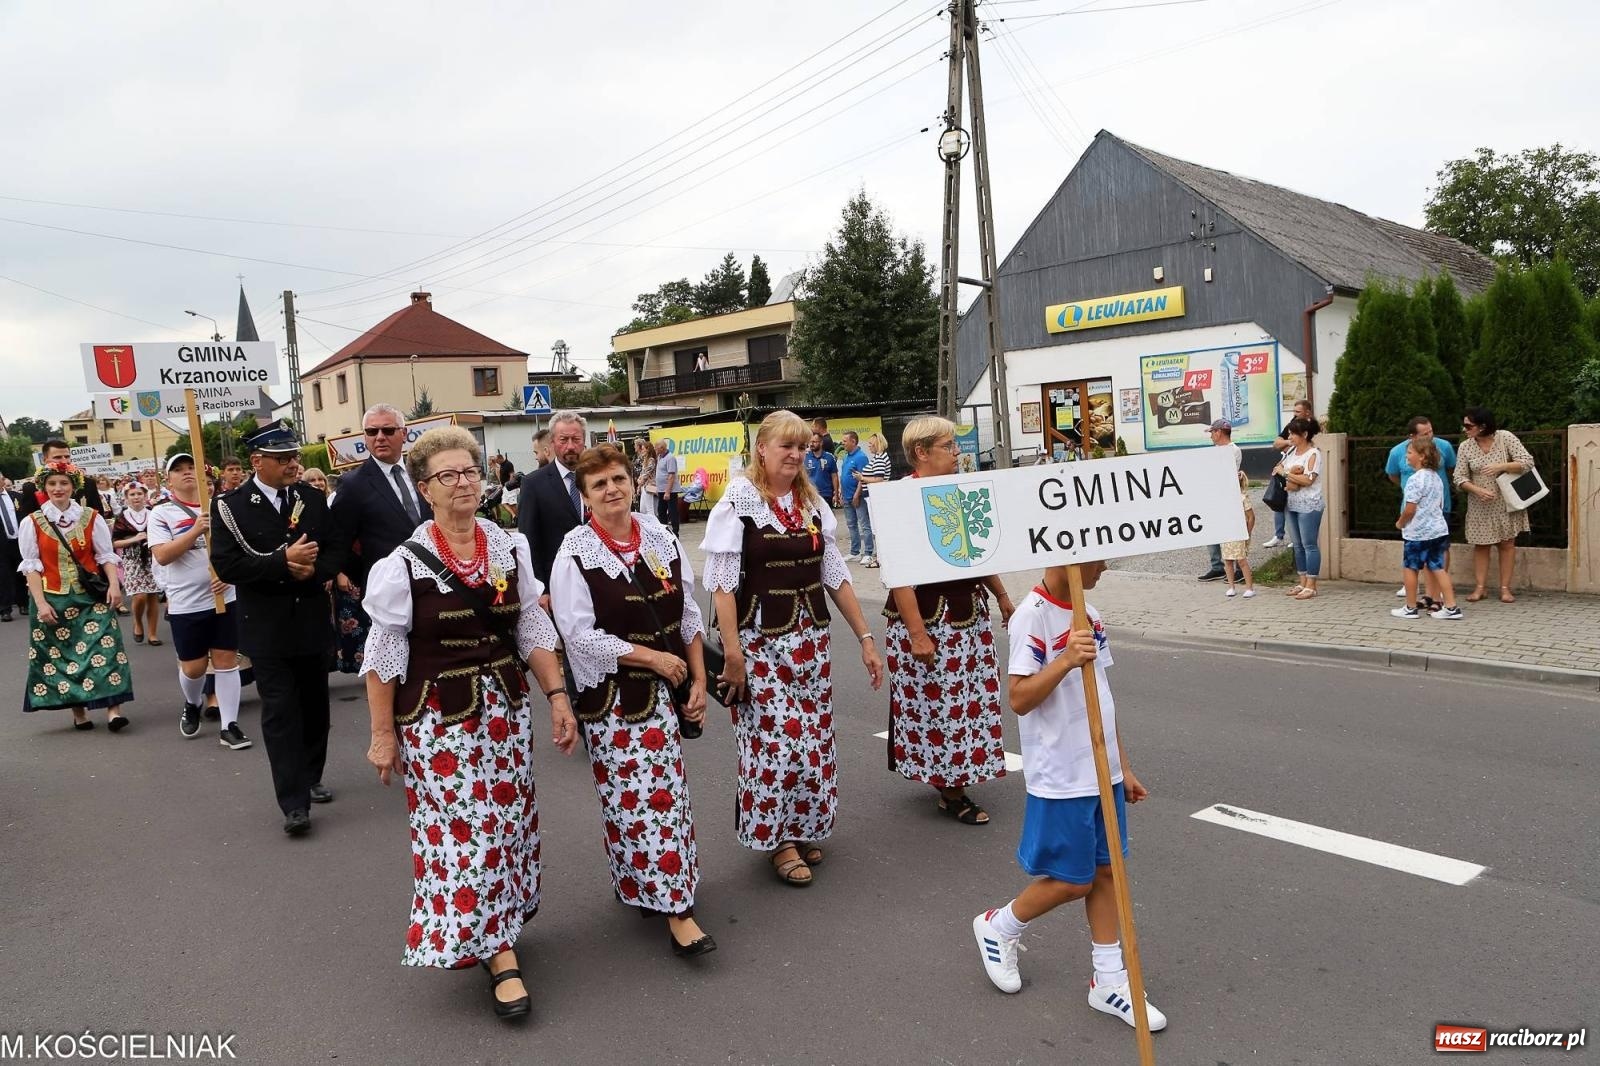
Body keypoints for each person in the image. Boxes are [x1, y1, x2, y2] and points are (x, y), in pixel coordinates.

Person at [361, 426, 575, 1019]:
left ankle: (498, 924)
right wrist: (383, 736)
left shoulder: (508, 548)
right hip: (438, 723)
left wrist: (556, 695)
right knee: (468, 835)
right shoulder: (403, 565)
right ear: (424, 488)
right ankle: (498, 952)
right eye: (447, 475)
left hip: (505, 715)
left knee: (506, 825)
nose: (462, 483)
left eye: (469, 472)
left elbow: (530, 627)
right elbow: (383, 657)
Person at [971, 561, 1164, 1032]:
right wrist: (1063, 660)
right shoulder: (1031, 617)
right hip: (1062, 775)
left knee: (1106, 871)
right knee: (1072, 879)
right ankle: (1000, 925)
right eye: (1097, 559)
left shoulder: (1091, 615)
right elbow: (1018, 697)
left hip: (1103, 770)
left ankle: (1109, 979)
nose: (1104, 566)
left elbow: (1101, 691)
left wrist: (1124, 765)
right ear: (1068, 559)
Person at [702, 410, 883, 886]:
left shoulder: (809, 500)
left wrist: (865, 637)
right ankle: (776, 839)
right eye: (786, 445)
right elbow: (721, 585)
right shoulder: (739, 501)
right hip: (760, 643)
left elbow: (836, 574)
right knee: (773, 744)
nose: (796, 454)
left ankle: (801, 825)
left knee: (813, 740)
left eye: (801, 446)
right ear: (762, 448)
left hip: (810, 641)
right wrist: (734, 654)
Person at [551, 444, 716, 957]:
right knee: (638, 799)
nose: (612, 490)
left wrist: (697, 680)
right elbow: (578, 634)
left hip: (666, 691)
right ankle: (676, 910)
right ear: (585, 497)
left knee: (663, 796)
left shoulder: (661, 537)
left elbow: (687, 614)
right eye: (599, 485)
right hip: (613, 699)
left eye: (619, 479)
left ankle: (655, 887)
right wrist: (652, 659)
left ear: (633, 482)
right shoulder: (574, 553)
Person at [209, 420, 338, 836]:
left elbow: (336, 550)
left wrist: (314, 571)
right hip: (267, 627)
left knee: (316, 708)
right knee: (280, 713)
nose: (292, 465)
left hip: (312, 620)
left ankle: (311, 773)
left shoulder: (310, 498)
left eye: (293, 457)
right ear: (256, 461)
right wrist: (284, 564)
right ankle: (293, 801)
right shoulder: (231, 505)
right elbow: (229, 565)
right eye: (282, 459)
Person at [885, 417, 1014, 825]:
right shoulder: (900, 499)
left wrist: (1004, 596)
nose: (958, 453)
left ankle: (955, 778)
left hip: (968, 616)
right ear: (922, 452)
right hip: (929, 619)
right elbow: (899, 572)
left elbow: (977, 550)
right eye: (949, 446)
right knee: (940, 708)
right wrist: (917, 634)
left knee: (970, 705)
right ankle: (951, 790)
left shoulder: (960, 490)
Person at [18, 461, 134, 731]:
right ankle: (79, 712)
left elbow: (105, 556)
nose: (58, 488)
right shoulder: (32, 521)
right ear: (44, 488)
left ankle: (113, 711)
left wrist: (115, 586)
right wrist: (40, 603)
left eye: (63, 483)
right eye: (52, 484)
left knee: (107, 649)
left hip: (90, 597)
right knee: (63, 657)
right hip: (53, 598)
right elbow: (31, 567)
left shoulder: (91, 517)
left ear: (73, 487)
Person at [149, 453, 251, 747]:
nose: (186, 473)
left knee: (226, 661)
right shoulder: (161, 513)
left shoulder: (222, 507)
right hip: (186, 603)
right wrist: (195, 530)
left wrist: (229, 574)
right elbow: (162, 555)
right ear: (169, 480)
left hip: (225, 598)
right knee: (193, 668)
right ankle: (192, 703)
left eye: (190, 467)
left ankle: (229, 726)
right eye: (178, 470)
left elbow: (243, 547)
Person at [325, 404, 433, 675]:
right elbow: (340, 542)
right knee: (395, 672)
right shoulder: (353, 485)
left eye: (387, 430)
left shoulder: (422, 473)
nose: (380, 437)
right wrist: (369, 574)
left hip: (434, 584)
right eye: (372, 431)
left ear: (404, 433)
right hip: (389, 593)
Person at [1454, 406, 1537, 604]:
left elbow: (1527, 462)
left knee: (1507, 544)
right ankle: (1480, 588)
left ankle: (1505, 589)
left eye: (1468, 425)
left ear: (1482, 426)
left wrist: (1502, 466)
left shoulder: (1505, 437)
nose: (1465, 429)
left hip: (1506, 501)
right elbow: (1458, 477)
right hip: (1480, 504)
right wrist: (1475, 489)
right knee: (1481, 545)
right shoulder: (1465, 447)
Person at [516, 411, 589, 596]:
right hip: (557, 585)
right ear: (552, 443)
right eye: (563, 440)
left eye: (576, 439)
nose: (570, 446)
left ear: (584, 441)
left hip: (598, 579)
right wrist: (542, 589)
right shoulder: (533, 484)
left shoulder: (597, 478)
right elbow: (529, 541)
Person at [1386, 416, 1457, 603]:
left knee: (1411, 565)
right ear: (1412, 436)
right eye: (1425, 434)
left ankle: (1411, 606)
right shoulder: (1432, 477)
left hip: (1420, 525)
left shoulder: (1416, 480)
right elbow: (1392, 475)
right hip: (1435, 523)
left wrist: (1400, 523)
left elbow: (1409, 511)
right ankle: (1444, 603)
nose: (1430, 436)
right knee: (1436, 564)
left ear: (1422, 456)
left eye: (1431, 431)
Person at [1275, 418, 1323, 600]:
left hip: (1309, 504)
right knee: (1297, 545)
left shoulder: (1313, 454)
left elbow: (1309, 480)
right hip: (1290, 502)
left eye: (1293, 433)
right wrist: (1291, 473)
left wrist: (1288, 474)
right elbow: (1277, 468)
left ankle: (1311, 585)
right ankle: (1302, 581)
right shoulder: (1292, 451)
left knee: (1309, 544)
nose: (1290, 437)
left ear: (1304, 434)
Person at [112, 483, 163, 645]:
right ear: (126, 498)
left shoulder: (154, 514)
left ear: (145, 496)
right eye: (132, 495)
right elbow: (115, 543)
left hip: (152, 557)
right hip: (132, 559)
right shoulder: (122, 518)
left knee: (153, 595)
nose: (136, 497)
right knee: (140, 595)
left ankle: (153, 633)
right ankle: (138, 621)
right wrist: (135, 539)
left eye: (139, 494)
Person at [1264, 400, 1315, 548]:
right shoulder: (1293, 424)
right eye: (1294, 411)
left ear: (1307, 412)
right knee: (1279, 500)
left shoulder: (1312, 427)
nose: (1294, 414)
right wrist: (1289, 441)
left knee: (1296, 501)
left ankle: (1296, 536)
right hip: (1286, 464)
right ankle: (1278, 535)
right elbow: (1277, 443)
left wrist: (1290, 444)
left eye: (1298, 412)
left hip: (1301, 468)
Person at [1198, 420, 1243, 580]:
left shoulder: (1233, 450)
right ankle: (1217, 567)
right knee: (1212, 531)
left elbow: (1225, 473)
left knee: (1231, 532)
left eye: (1212, 432)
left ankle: (1238, 568)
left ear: (1219, 432)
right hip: (1213, 495)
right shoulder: (1214, 450)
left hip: (1228, 497)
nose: (1211, 436)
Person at [18, 439, 104, 519]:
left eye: (67, 456)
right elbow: (28, 520)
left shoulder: (88, 483)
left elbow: (98, 516)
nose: (64, 461)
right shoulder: (31, 488)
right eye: (58, 457)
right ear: (44, 460)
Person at [855, 433, 892, 569]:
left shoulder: (880, 459)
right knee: (875, 527)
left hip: (876, 496)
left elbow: (879, 479)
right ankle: (879, 555)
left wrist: (862, 478)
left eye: (871, 444)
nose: (869, 446)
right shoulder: (877, 457)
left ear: (877, 444)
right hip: (871, 495)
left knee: (877, 528)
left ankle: (880, 556)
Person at [836, 431, 873, 564]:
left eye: (845, 441)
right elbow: (843, 475)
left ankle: (868, 552)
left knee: (864, 525)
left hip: (858, 497)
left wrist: (857, 494)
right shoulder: (846, 456)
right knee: (851, 525)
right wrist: (840, 492)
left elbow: (862, 478)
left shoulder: (861, 457)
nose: (843, 443)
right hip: (846, 497)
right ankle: (855, 552)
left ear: (853, 441)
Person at [1221, 470, 1255, 598]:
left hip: (1239, 532)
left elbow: (1251, 517)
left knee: (1241, 560)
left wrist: (1248, 532)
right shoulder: (1223, 498)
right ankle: (1231, 587)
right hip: (1226, 531)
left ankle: (1249, 587)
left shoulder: (1243, 497)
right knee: (1227, 560)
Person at [0, 477, 24, 620]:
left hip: (18, 541)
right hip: (1, 544)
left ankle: (23, 603)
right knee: (3, 576)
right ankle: (5, 608)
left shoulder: (16, 497)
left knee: (22, 571)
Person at [803, 432, 839, 513]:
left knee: (828, 522)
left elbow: (834, 476)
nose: (811, 444)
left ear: (821, 443)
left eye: (814, 442)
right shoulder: (805, 456)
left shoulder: (829, 457)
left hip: (826, 495)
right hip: (810, 495)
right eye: (810, 442)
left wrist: (836, 494)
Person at [653, 438, 680, 537]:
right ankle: (664, 532)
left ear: (661, 447)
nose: (655, 449)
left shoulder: (670, 458)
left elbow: (671, 476)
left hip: (670, 491)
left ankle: (675, 532)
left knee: (673, 512)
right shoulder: (660, 457)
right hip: (661, 490)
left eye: (656, 447)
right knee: (661, 511)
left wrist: (667, 492)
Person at [634, 437, 658, 517]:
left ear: (648, 450)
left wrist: (640, 480)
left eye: (643, 449)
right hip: (644, 486)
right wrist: (639, 483)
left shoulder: (651, 460)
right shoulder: (645, 460)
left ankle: (654, 526)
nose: (642, 450)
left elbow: (646, 473)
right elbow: (642, 473)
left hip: (649, 486)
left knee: (649, 509)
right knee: (643, 510)